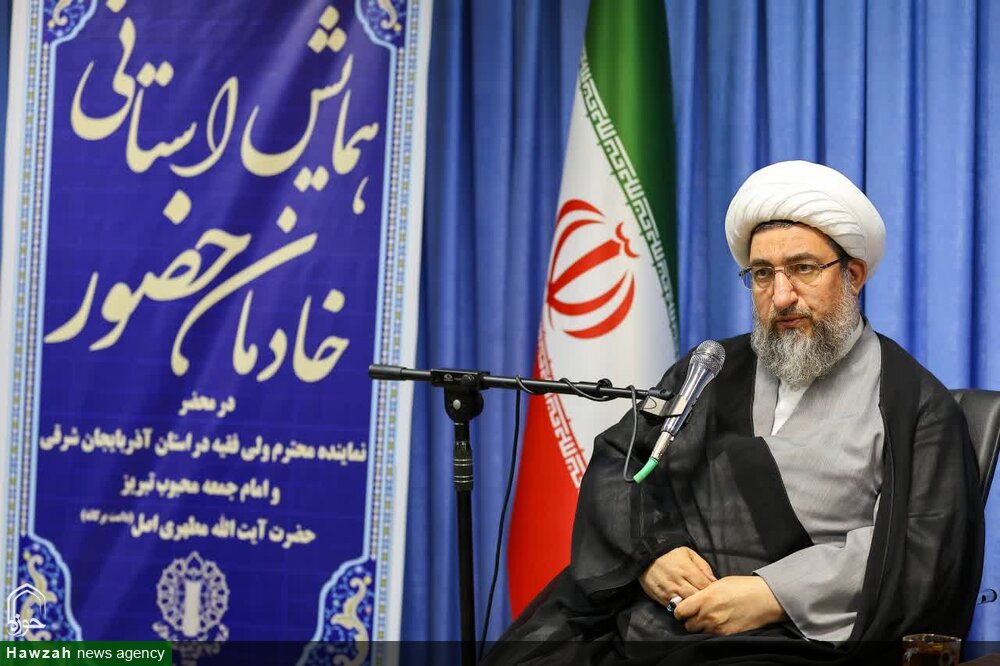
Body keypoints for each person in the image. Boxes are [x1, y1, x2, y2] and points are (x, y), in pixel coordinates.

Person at [486, 160, 984, 664]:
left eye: (803, 268)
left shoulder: (915, 405)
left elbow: (920, 551)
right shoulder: (710, 369)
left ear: (852, 275)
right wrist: (650, 554)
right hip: (655, 608)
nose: (781, 295)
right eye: (763, 274)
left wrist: (772, 594)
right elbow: (622, 459)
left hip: (790, 634)